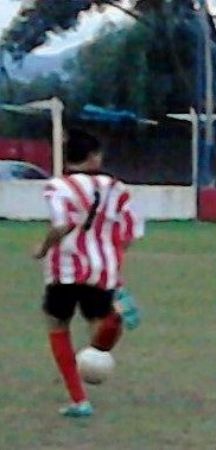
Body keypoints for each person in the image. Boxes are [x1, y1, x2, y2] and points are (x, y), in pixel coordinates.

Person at [33, 129, 142, 418]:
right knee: (98, 326)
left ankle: (79, 400)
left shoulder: (59, 186)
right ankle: (111, 323)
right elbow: (130, 232)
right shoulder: (117, 188)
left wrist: (43, 249)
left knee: (57, 326)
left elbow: (61, 224)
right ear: (94, 156)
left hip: (65, 269)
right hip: (102, 269)